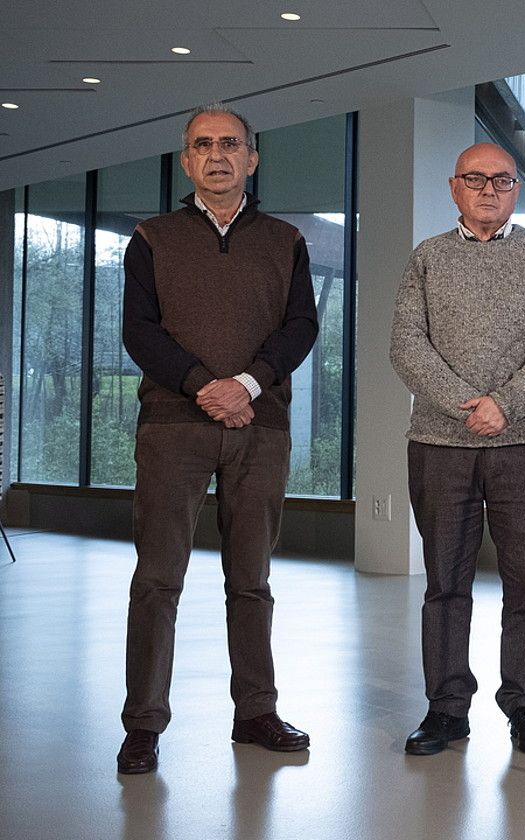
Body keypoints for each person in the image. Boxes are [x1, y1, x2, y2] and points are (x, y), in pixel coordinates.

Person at [118, 104, 319, 774]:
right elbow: (140, 332)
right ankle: (144, 724)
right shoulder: (152, 237)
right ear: (186, 160)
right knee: (157, 581)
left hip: (260, 430)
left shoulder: (286, 239)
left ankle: (255, 711)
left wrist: (248, 387)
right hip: (174, 428)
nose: (217, 155)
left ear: (252, 158)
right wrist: (207, 385)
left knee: (252, 581)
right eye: (202, 144)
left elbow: (300, 329)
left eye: (230, 143)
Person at [391, 142, 525, 757]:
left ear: (516, 189)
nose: (489, 190)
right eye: (476, 179)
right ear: (454, 187)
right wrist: (468, 402)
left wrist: (508, 404)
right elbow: (406, 345)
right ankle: (445, 708)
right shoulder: (428, 258)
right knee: (445, 581)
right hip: (441, 445)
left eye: (501, 180)